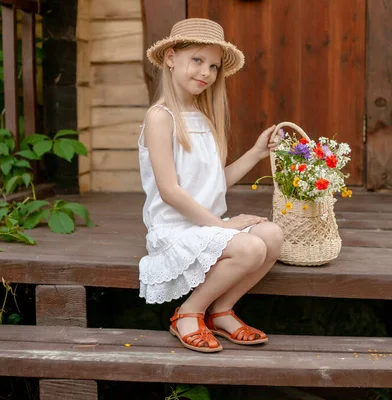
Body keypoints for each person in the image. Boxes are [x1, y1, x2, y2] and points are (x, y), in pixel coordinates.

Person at [139, 18, 284, 353]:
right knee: (250, 247)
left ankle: (221, 311)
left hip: (206, 227)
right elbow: (169, 191)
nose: (206, 72)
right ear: (171, 58)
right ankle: (188, 313)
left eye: (214, 66)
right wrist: (223, 226)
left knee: (272, 236)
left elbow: (215, 182)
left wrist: (257, 152)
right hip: (176, 229)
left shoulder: (202, 117)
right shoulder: (161, 117)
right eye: (198, 60)